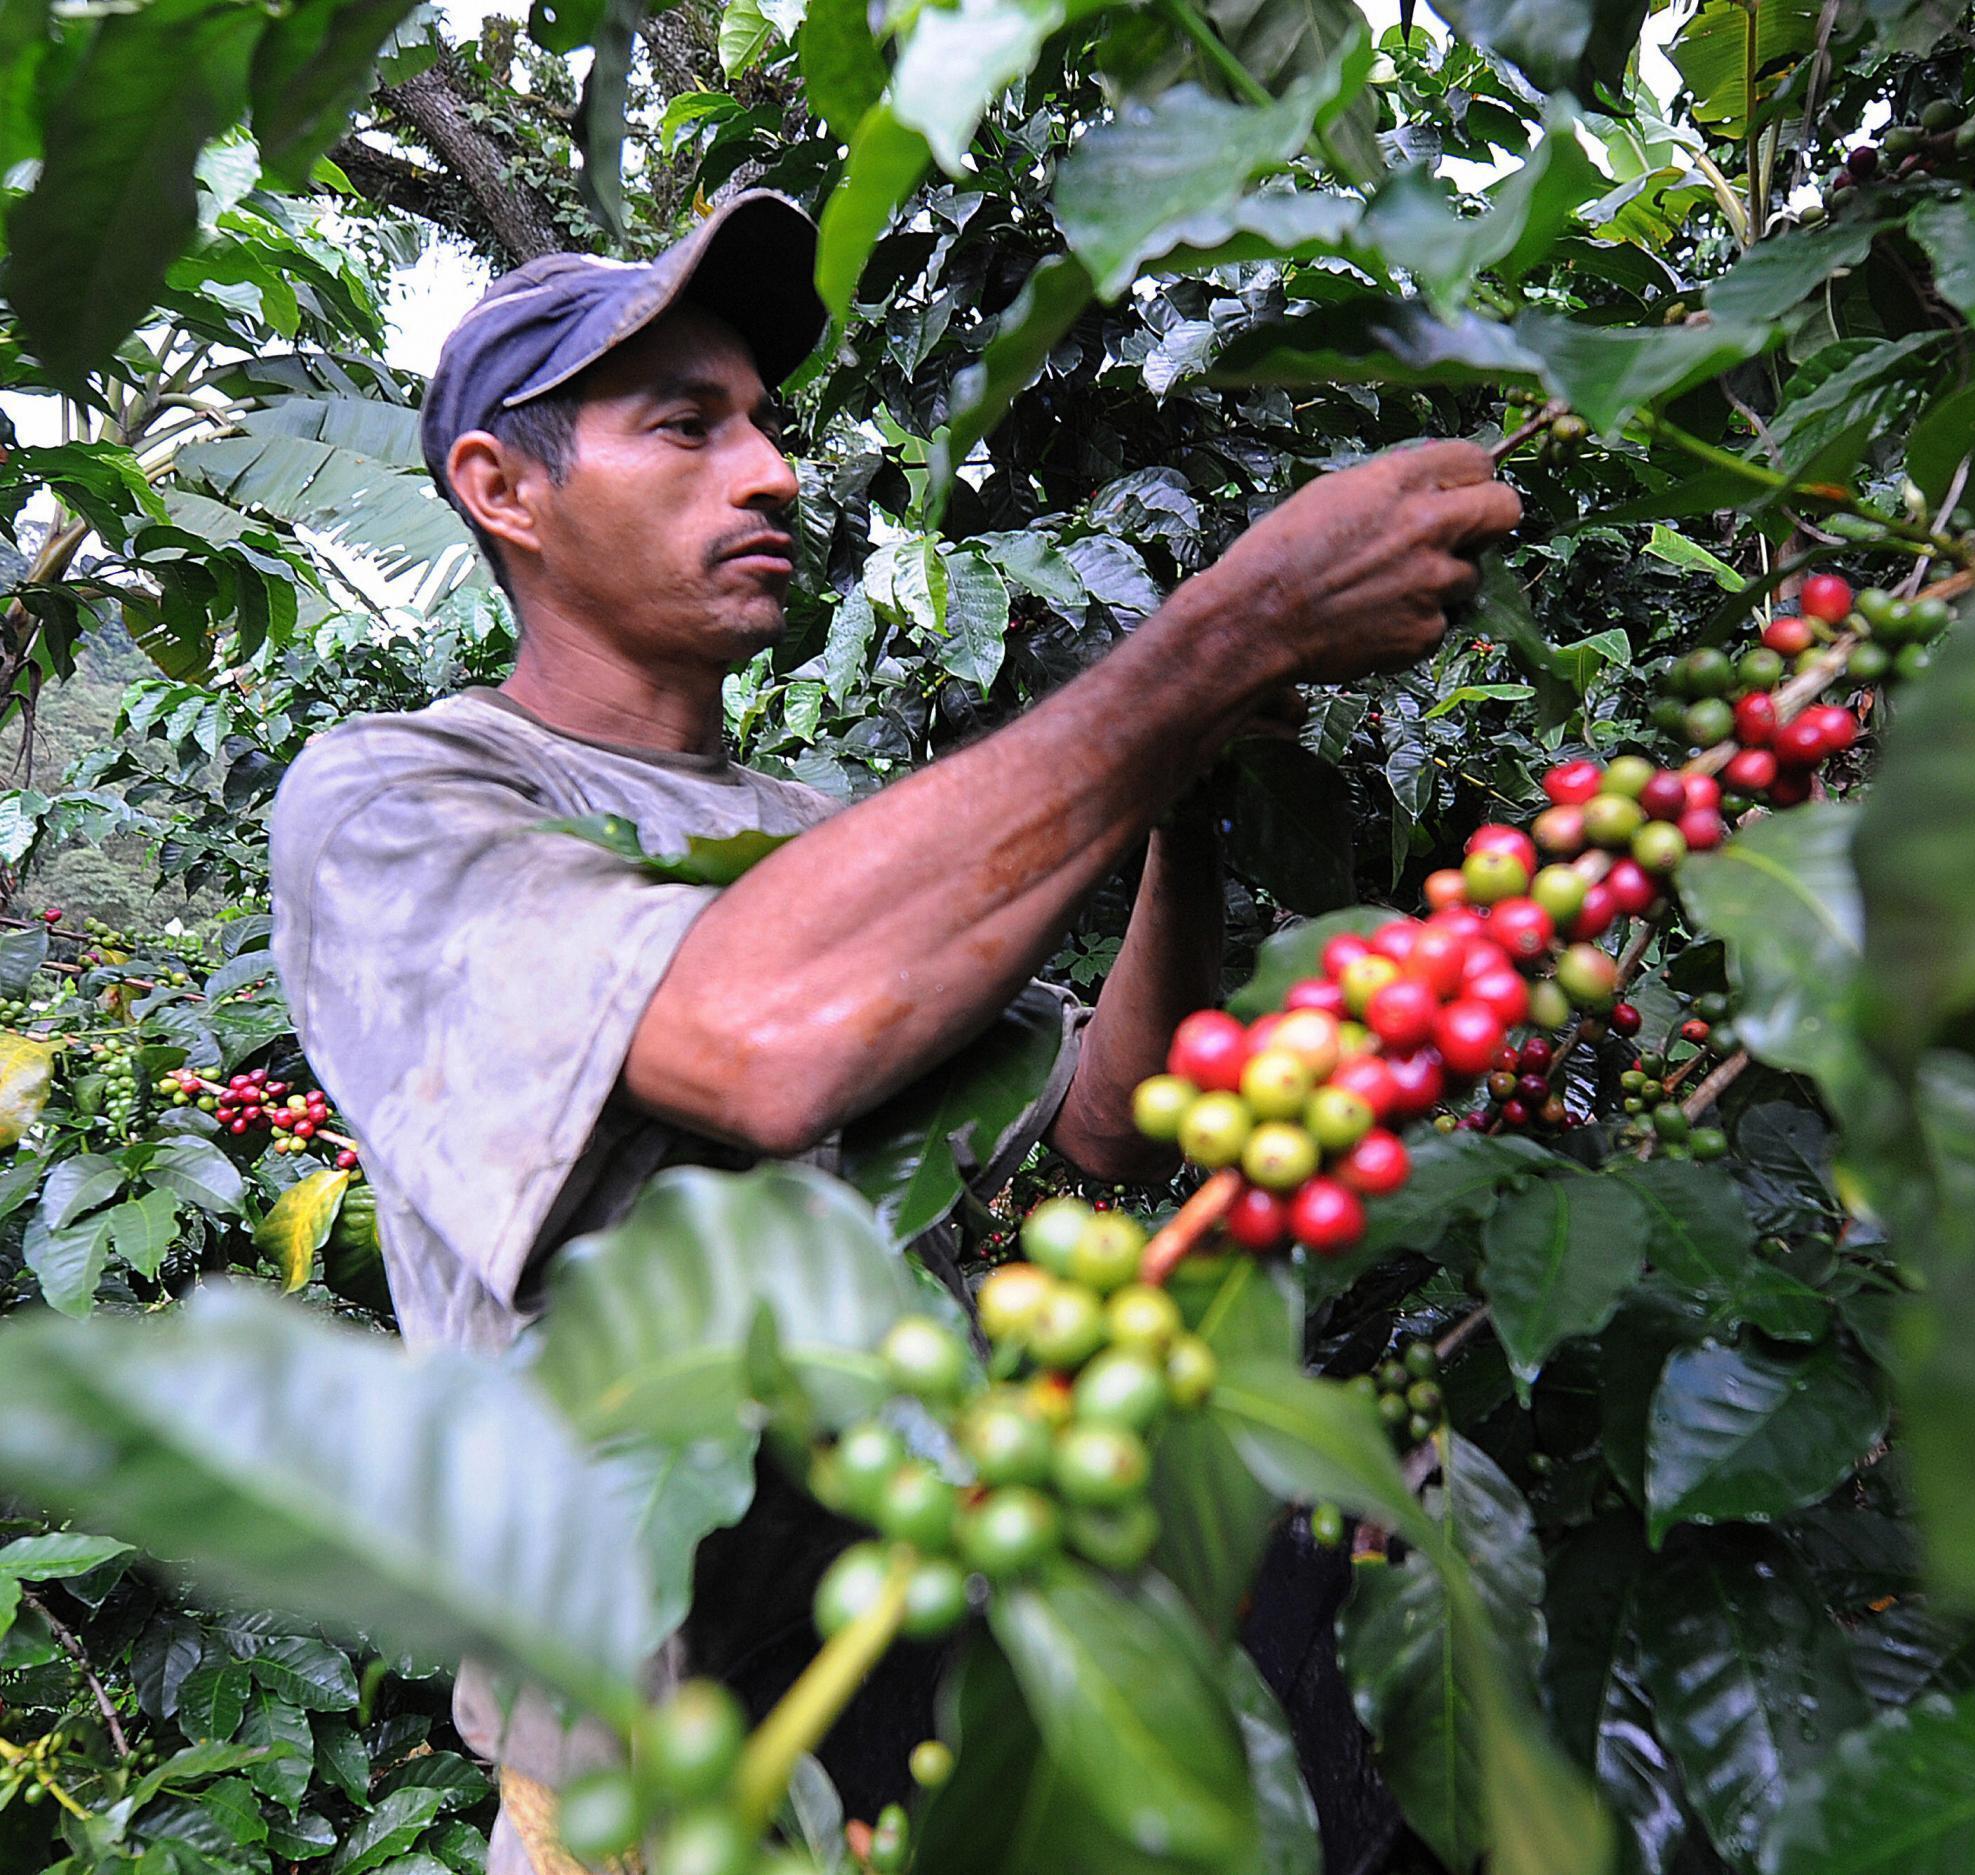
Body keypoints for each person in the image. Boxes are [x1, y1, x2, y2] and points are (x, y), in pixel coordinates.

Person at [268, 190, 1521, 1874]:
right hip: (681, 1752)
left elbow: (1110, 1119)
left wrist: (1185, 799)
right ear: (505, 491)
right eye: (687, 427)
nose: (773, 471)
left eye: (767, 426)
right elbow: (759, 1038)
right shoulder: (400, 801)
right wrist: (1230, 628)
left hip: (942, 1631)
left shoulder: (802, 827)